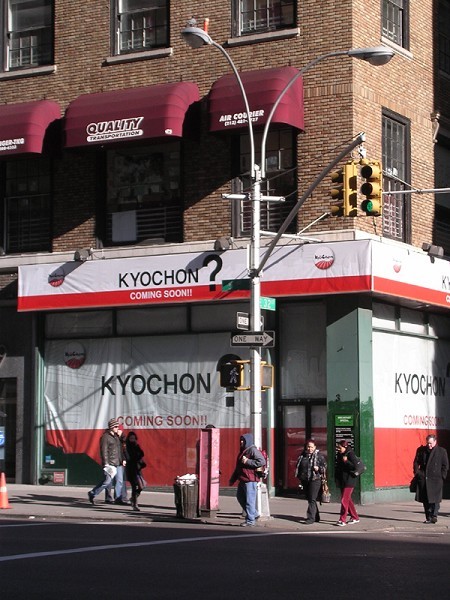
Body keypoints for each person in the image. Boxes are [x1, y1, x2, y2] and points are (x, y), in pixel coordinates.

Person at [228, 433, 266, 527]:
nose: (241, 442)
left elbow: (261, 461)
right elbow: (238, 468)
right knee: (240, 497)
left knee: (250, 500)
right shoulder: (243, 452)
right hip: (243, 479)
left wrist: (247, 461)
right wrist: (233, 479)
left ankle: (250, 521)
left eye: (243, 440)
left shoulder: (252, 450)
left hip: (250, 479)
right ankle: (254, 514)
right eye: (241, 440)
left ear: (247, 441)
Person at [88, 418, 126, 505]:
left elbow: (121, 448)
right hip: (110, 463)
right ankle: (93, 493)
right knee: (107, 481)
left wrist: (123, 459)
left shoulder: (117, 436)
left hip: (118, 462)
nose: (117, 428)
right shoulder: (105, 437)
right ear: (111, 427)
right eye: (116, 427)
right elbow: (104, 451)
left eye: (118, 426)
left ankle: (118, 498)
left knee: (120, 481)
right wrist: (106, 463)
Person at [413, 433, 449, 523]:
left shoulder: (441, 451)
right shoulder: (421, 450)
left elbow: (445, 465)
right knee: (425, 500)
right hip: (424, 478)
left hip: (436, 479)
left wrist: (442, 476)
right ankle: (428, 517)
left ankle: (434, 515)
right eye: (428, 443)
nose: (429, 445)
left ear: (435, 442)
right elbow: (416, 462)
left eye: (431, 443)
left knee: (435, 499)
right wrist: (417, 473)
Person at [295, 440, 327, 524]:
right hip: (305, 480)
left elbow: (324, 467)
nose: (310, 449)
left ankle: (310, 518)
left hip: (315, 479)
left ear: (315, 447)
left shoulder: (319, 456)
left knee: (312, 498)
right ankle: (316, 516)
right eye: (308, 447)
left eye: (312, 447)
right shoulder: (302, 456)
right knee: (309, 498)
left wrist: (318, 468)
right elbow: (298, 467)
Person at [334, 439, 360, 527]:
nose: (338, 449)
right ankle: (355, 517)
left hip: (350, 480)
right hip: (342, 480)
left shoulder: (350, 454)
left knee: (344, 499)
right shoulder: (339, 454)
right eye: (338, 447)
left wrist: (346, 461)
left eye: (340, 447)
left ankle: (342, 519)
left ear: (345, 447)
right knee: (347, 499)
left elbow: (355, 466)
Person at [125, 431, 146, 511]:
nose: (132, 440)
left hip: (137, 469)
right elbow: (129, 458)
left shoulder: (136, 446)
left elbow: (141, 454)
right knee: (134, 486)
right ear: (128, 439)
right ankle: (135, 504)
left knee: (141, 486)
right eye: (131, 438)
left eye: (134, 438)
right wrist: (137, 456)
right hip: (131, 469)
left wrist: (138, 455)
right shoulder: (127, 447)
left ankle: (133, 498)